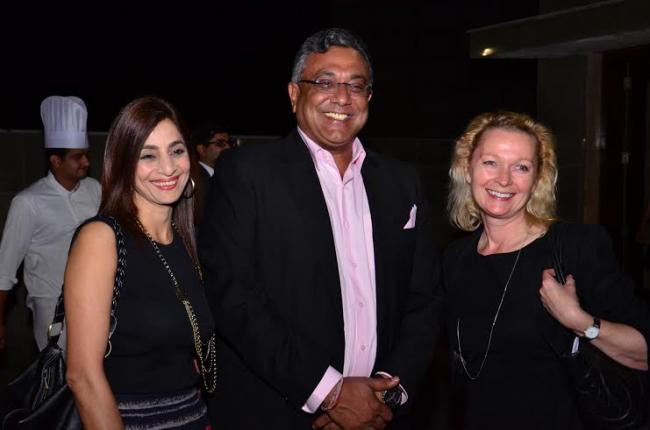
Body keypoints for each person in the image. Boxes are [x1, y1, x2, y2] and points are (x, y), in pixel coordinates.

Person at [199, 28, 442, 429]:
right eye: (325, 82)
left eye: (356, 85)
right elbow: (233, 295)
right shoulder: (247, 174)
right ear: (294, 94)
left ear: (369, 98)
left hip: (380, 415)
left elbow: (424, 300)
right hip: (278, 414)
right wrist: (331, 393)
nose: (342, 98)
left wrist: (385, 394)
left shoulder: (401, 182)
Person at [444, 110, 650, 429]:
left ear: (537, 179)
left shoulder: (576, 248)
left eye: (521, 167)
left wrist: (580, 322)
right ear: (466, 169)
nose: (504, 179)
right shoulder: (456, 257)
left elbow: (643, 351)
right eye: (490, 162)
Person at [64, 96, 216, 429]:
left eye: (176, 151)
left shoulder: (186, 240)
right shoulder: (101, 239)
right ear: (123, 163)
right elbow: (82, 376)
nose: (168, 168)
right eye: (148, 155)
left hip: (194, 416)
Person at [0, 95, 101, 350]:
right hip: (52, 310)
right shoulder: (28, 203)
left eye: (86, 155)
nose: (87, 162)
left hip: (97, 301)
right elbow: (4, 270)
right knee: (58, 370)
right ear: (56, 161)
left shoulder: (95, 189)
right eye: (78, 157)